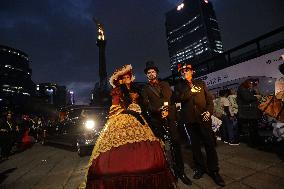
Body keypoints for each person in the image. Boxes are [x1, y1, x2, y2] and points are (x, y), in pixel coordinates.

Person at [81, 64, 175, 189]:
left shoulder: (137, 90)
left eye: (128, 76)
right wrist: (128, 110)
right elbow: (114, 107)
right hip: (123, 117)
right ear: (120, 80)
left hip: (141, 119)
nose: (127, 79)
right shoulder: (118, 91)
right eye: (124, 77)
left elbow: (145, 105)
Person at [174, 63, 225, 187]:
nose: (184, 72)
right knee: (195, 146)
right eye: (182, 71)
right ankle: (200, 167)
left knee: (209, 144)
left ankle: (214, 170)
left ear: (192, 71)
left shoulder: (201, 83)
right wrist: (190, 91)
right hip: (190, 120)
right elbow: (179, 98)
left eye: (187, 70)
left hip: (204, 118)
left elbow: (209, 100)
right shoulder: (179, 86)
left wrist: (209, 111)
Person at [141, 61, 192, 185]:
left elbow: (171, 98)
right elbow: (147, 105)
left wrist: (171, 109)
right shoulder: (145, 89)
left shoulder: (165, 84)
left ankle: (180, 172)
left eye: (153, 72)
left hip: (171, 118)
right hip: (157, 121)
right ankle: (168, 172)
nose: (151, 74)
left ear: (157, 73)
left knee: (176, 145)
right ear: (147, 75)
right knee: (162, 148)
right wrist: (158, 110)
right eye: (149, 73)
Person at [237, 79, 261, 147]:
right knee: (252, 128)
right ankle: (253, 142)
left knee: (254, 128)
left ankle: (255, 141)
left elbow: (257, 96)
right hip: (247, 112)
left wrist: (257, 93)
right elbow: (247, 98)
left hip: (251, 112)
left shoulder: (250, 89)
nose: (251, 85)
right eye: (250, 83)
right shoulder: (242, 88)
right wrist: (256, 97)